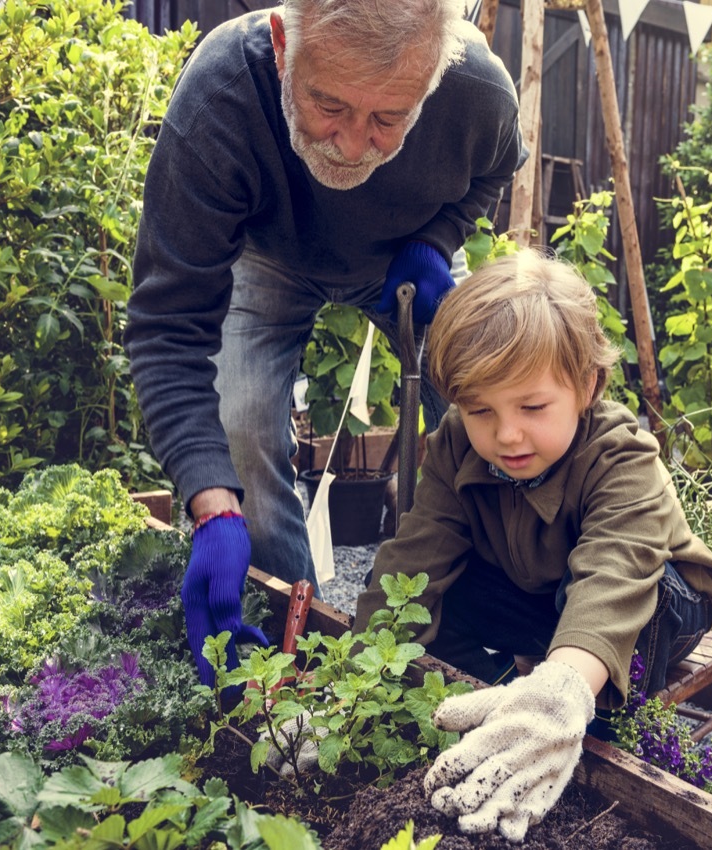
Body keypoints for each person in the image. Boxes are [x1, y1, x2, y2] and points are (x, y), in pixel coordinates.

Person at [123, 0, 525, 686]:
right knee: (241, 439)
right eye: (327, 104)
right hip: (267, 258)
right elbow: (169, 326)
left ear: (433, 78)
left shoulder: (476, 90)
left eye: (388, 119)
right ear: (284, 44)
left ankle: (498, 617)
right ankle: (297, 650)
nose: (349, 143)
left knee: (496, 404)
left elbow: (492, 171)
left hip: (404, 257)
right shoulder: (222, 93)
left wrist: (436, 242)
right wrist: (211, 503)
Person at [353, 249, 712, 842]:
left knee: (636, 602)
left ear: (586, 386)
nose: (506, 434)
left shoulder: (620, 454)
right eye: (480, 410)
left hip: (655, 598)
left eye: (532, 407)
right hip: (537, 592)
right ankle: (500, 699)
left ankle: (589, 724)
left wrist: (564, 691)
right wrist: (350, 685)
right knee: (428, 597)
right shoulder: (458, 446)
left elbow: (614, 573)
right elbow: (414, 557)